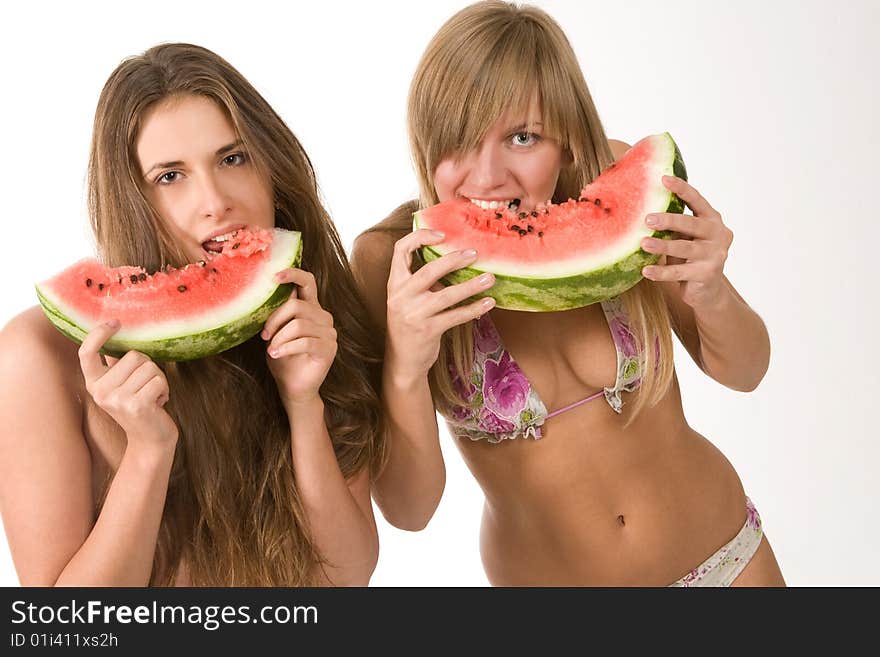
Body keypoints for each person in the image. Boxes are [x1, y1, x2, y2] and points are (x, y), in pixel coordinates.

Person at [352, 1, 785, 586]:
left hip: (725, 562)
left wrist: (711, 291)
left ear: (569, 141)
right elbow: (410, 511)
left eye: (523, 137)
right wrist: (405, 367)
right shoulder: (389, 260)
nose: (487, 175)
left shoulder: (618, 181)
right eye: (458, 139)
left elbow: (747, 372)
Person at [0, 43, 383, 586]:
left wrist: (303, 405)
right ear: (133, 198)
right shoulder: (36, 356)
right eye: (170, 176)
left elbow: (345, 580)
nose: (215, 201)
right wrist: (147, 453)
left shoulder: (310, 321)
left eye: (233, 158)